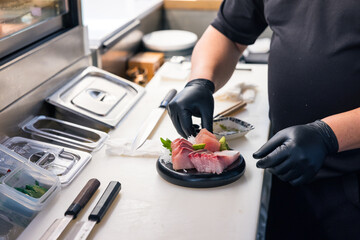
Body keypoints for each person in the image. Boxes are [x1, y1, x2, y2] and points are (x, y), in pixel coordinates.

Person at [166, 0, 360, 239]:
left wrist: (329, 134)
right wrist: (200, 80)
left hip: (351, 183)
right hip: (285, 170)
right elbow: (227, 32)